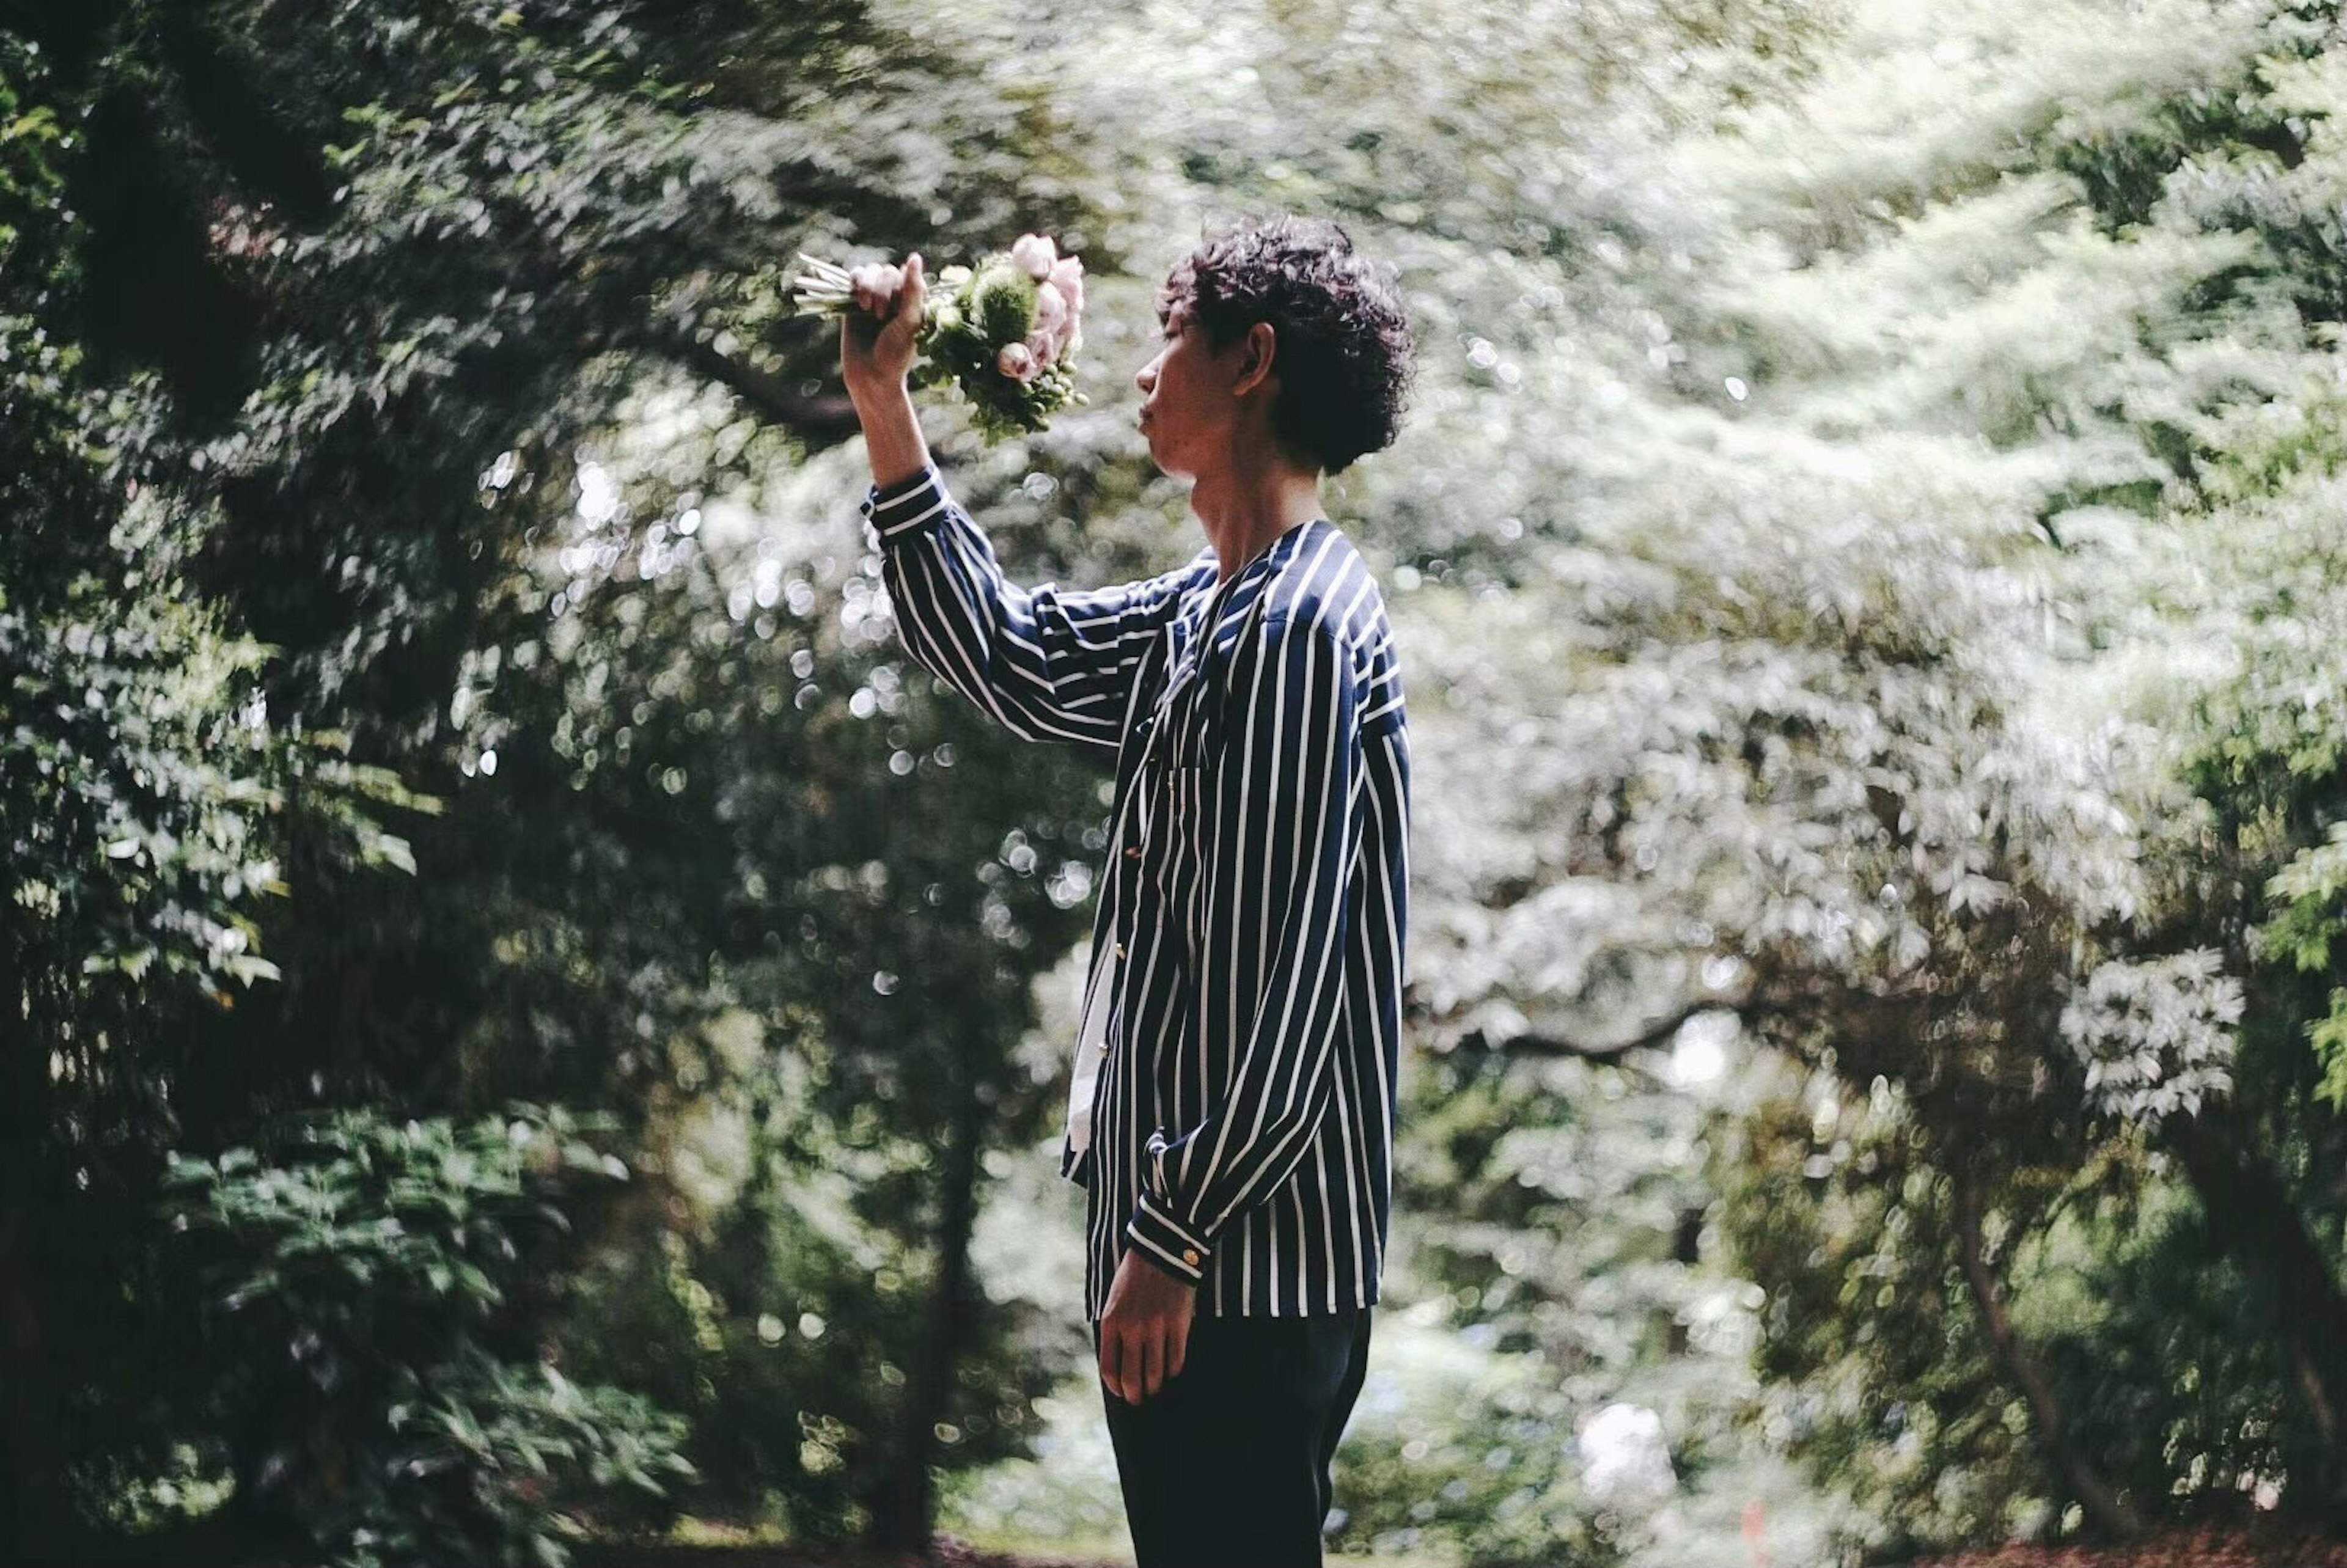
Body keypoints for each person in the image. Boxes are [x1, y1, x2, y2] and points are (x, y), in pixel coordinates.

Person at [840, 213, 1416, 1566]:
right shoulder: (1207, 613)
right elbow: (1003, 646)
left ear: (1252, 359)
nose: (1146, 370)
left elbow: (1287, 987)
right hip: (1194, 1254)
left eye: (1172, 335)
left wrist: (1168, 1234)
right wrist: (885, 399)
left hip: (1236, 1269)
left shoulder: (1294, 629)